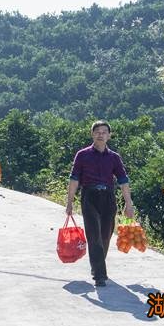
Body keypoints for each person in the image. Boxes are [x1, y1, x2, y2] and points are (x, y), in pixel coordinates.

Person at [65, 120, 135, 287]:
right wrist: (69, 203)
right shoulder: (82, 155)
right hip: (89, 196)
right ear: (92, 134)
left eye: (104, 132)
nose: (101, 134)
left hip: (108, 198)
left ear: (109, 136)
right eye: (97, 132)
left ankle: (97, 264)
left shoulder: (114, 158)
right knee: (94, 235)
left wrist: (128, 203)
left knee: (106, 235)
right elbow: (74, 179)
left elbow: (123, 181)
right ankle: (99, 275)